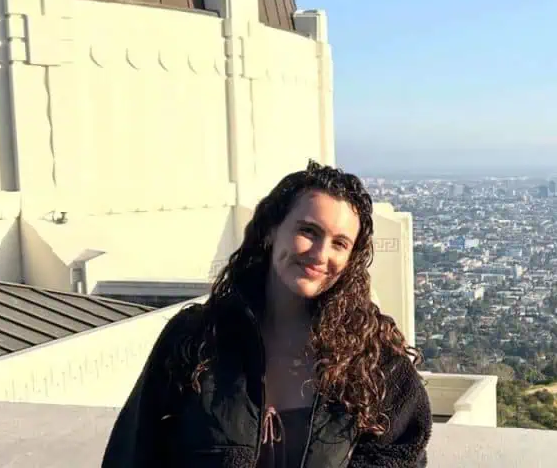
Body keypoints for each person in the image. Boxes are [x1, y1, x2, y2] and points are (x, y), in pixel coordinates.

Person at [102, 161, 432, 468]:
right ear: (272, 230)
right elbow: (132, 453)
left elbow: (401, 454)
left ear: (351, 260)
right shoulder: (195, 339)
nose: (320, 254)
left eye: (339, 243)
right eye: (309, 231)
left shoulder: (371, 358)